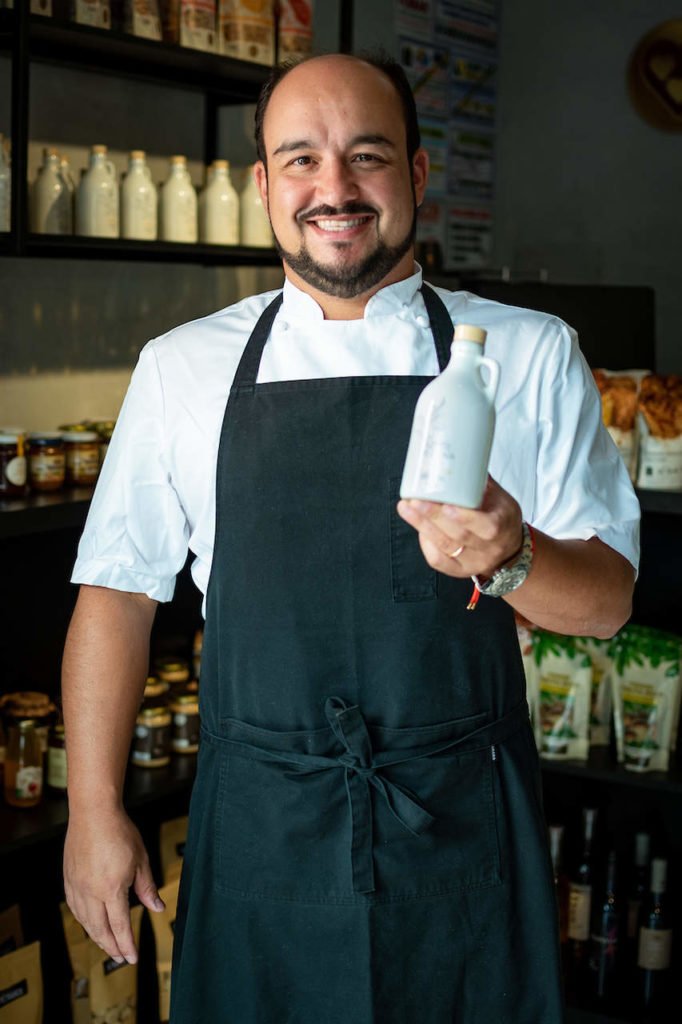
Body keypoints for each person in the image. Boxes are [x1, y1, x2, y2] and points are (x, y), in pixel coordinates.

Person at [62, 51, 639, 1023]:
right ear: (261, 185)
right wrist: (91, 812)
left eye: (366, 156)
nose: (333, 188)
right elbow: (118, 594)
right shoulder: (182, 367)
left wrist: (512, 556)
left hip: (460, 828)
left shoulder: (528, 351)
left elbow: (610, 600)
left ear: (416, 173)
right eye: (300, 159)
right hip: (259, 828)